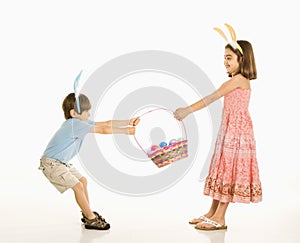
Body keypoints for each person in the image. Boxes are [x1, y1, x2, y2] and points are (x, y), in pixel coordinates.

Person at [174, 25, 262, 231]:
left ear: (242, 59)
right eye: (224, 57)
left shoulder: (239, 80)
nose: (225, 61)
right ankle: (212, 211)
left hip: (237, 133)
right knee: (222, 169)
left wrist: (187, 110)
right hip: (229, 130)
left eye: (229, 57)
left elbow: (211, 98)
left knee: (229, 172)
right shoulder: (236, 80)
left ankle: (220, 217)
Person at [39, 92, 140, 230]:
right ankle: (91, 219)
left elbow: (106, 123)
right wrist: (126, 131)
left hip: (60, 162)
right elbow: (103, 129)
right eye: (86, 112)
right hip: (52, 164)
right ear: (74, 113)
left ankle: (88, 213)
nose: (89, 114)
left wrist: (127, 122)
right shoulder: (75, 125)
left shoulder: (79, 123)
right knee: (78, 186)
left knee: (82, 181)